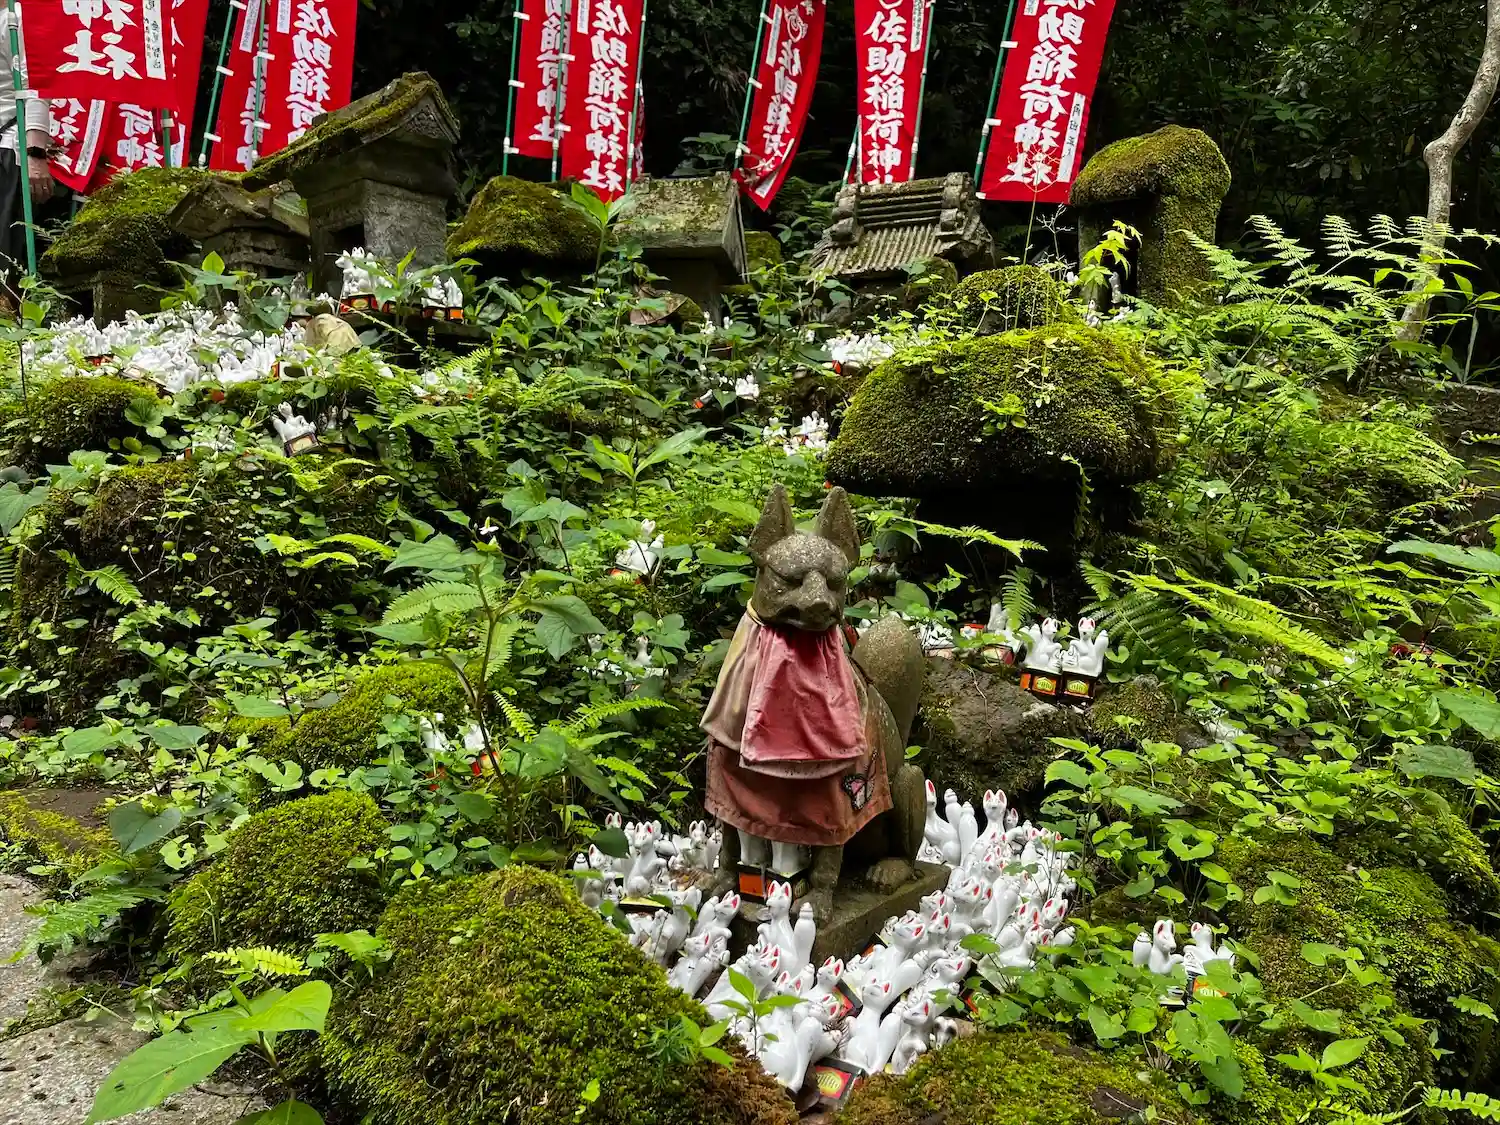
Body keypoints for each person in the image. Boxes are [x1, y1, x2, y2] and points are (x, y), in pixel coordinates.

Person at [0, 4, 53, 296]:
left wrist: (35, 153)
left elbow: (35, 89)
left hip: (7, 149)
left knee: (4, 259)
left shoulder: (16, 18)